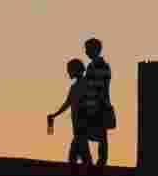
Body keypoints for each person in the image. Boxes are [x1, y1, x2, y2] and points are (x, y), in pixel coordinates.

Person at [46, 59, 99, 167]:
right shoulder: (74, 87)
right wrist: (55, 115)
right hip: (77, 125)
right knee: (83, 154)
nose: (68, 72)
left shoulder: (85, 84)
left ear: (76, 70)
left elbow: (92, 102)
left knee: (74, 154)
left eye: (69, 70)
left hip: (83, 125)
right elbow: (67, 103)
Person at [79, 38, 115, 166]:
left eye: (87, 49)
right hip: (97, 103)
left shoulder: (98, 65)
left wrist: (94, 105)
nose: (86, 51)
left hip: (97, 104)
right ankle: (99, 159)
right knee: (100, 133)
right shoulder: (97, 65)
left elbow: (99, 88)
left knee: (100, 134)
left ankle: (101, 160)